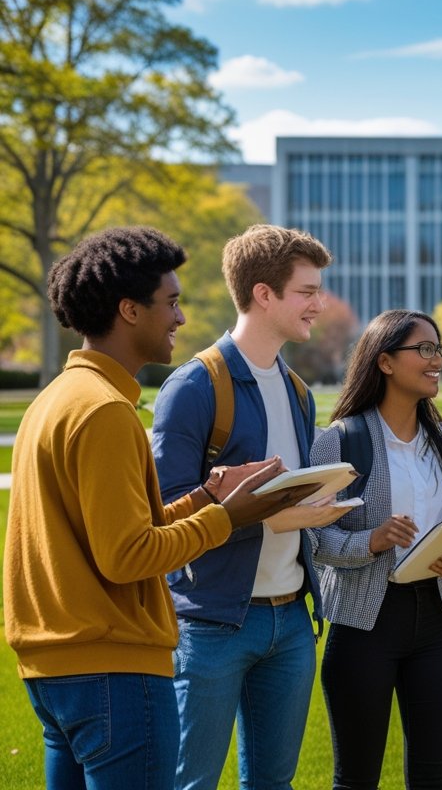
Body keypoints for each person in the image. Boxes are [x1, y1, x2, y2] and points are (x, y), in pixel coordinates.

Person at [3, 226, 312, 789]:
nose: (180, 319)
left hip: (55, 672)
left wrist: (206, 496)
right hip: (112, 671)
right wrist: (229, 517)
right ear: (129, 311)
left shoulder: (54, 401)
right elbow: (128, 556)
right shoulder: (105, 412)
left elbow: (116, 531)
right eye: (170, 303)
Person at [152, 224, 343, 789]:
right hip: (210, 623)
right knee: (191, 783)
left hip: (290, 620)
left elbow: (285, 494)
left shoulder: (299, 392)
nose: (320, 303)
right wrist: (280, 517)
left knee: (273, 784)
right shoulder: (193, 388)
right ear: (264, 294)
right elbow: (165, 515)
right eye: (307, 292)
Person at [308, 309, 442, 789]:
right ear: (384, 362)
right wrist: (372, 539)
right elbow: (315, 539)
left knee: (433, 777)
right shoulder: (340, 441)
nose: (436, 360)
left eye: (438, 349)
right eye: (423, 349)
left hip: (437, 622)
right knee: (356, 778)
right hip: (364, 624)